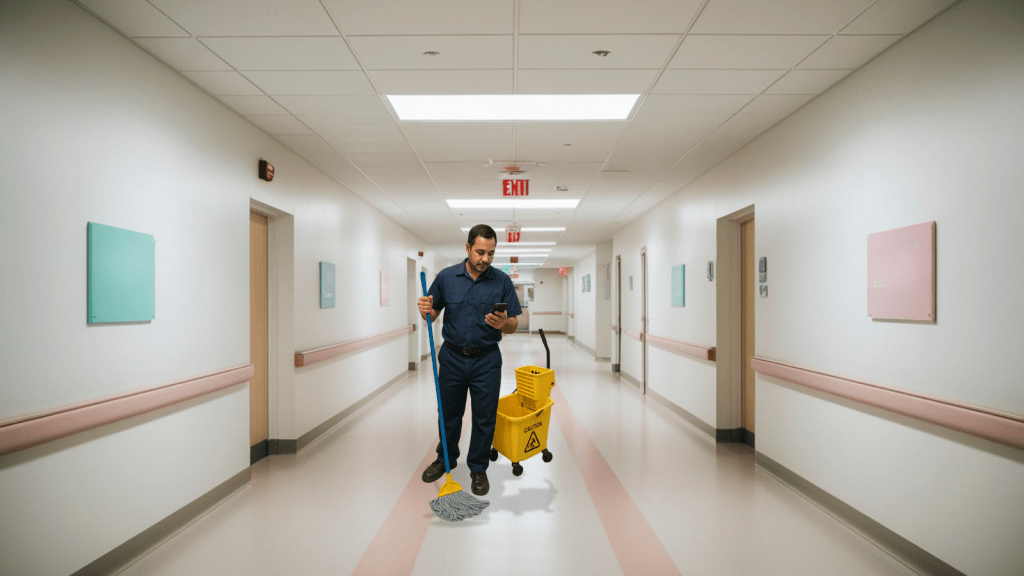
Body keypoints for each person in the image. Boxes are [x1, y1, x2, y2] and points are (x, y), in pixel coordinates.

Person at [418, 224, 522, 496]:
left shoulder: (501, 281)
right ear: (467, 248)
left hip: (486, 359)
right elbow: (432, 314)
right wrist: (425, 310)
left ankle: (478, 468)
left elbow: (513, 324)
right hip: (452, 357)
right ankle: (445, 460)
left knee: (485, 417)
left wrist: (503, 323)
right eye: (479, 252)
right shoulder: (446, 277)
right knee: (449, 413)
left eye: (490, 253)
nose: (485, 259)